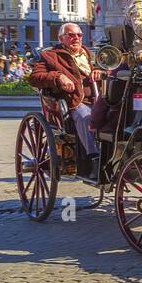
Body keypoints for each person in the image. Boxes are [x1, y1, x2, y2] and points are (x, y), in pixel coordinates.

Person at [30, 22, 102, 179]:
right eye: (71, 35)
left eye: (79, 35)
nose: (76, 38)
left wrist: (99, 71)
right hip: (75, 101)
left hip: (98, 98)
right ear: (61, 38)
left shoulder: (89, 54)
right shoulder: (50, 56)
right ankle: (94, 158)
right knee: (86, 118)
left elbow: (105, 69)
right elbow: (35, 78)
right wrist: (58, 77)